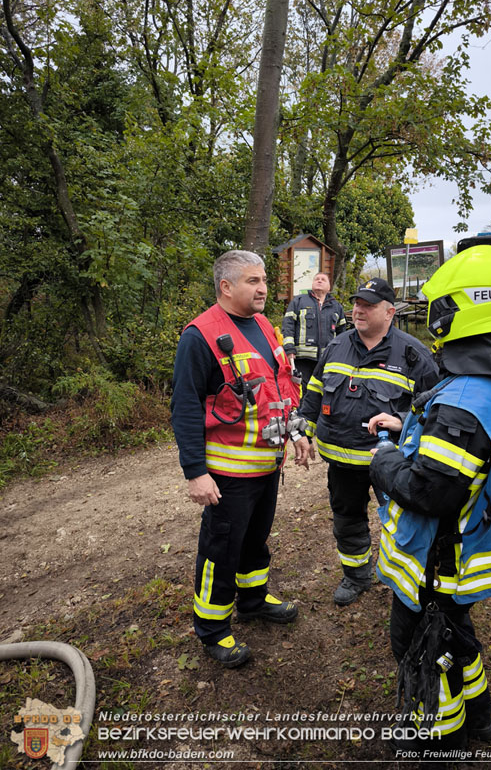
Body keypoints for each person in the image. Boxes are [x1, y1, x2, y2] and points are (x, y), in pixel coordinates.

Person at [368, 245, 491, 753]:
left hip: (441, 557)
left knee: (422, 647)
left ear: (458, 312)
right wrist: (416, 429)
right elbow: (471, 452)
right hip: (476, 544)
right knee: (458, 638)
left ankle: (433, 739)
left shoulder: (463, 402)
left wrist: (383, 459)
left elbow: (430, 491)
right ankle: (479, 719)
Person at [171, 250, 310, 669]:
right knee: (221, 550)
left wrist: (297, 431)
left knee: (254, 541)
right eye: (253, 281)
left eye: (264, 279)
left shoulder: (264, 326)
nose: (263, 288)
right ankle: (212, 629)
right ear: (226, 287)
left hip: (267, 466)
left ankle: (251, 601)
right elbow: (185, 407)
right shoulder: (200, 335)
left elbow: (279, 387)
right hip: (228, 473)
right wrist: (196, 472)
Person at [300, 277, 439, 606]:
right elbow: (315, 393)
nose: (358, 310)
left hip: (392, 464)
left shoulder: (412, 354)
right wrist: (304, 429)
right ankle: (356, 576)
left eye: (368, 305)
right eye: (356, 304)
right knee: (347, 521)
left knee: (404, 522)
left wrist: (404, 421)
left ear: (390, 312)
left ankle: (408, 580)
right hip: (343, 463)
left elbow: (438, 410)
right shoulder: (337, 345)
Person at [282, 272, 347, 395]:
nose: (319, 281)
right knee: (302, 393)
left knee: (323, 392)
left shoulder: (336, 307)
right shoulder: (299, 301)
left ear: (329, 287)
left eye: (323, 279)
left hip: (326, 360)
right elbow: (288, 325)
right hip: (302, 359)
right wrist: (289, 348)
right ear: (312, 284)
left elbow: (341, 333)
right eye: (317, 279)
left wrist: (339, 355)